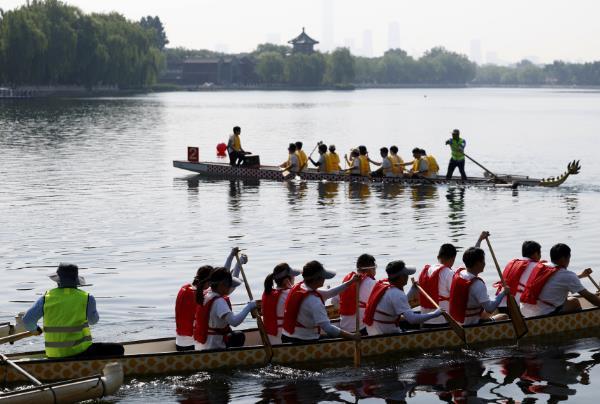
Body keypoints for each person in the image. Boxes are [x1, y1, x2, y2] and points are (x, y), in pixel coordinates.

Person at [23, 263, 124, 359]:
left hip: (53, 354)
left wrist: (35, 330)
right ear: (76, 281)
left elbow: (27, 320)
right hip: (80, 352)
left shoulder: (45, 298)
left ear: (58, 280)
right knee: (118, 349)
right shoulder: (87, 298)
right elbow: (93, 321)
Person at [175, 248, 246, 351]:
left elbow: (224, 276)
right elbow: (227, 281)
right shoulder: (205, 295)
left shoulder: (187, 289)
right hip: (190, 346)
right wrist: (239, 264)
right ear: (210, 281)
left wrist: (231, 257)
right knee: (238, 336)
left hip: (181, 343)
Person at [282, 260, 360, 343]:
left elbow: (329, 293)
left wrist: (350, 282)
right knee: (339, 339)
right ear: (316, 279)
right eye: (323, 277)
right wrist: (353, 336)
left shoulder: (300, 286)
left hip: (286, 336)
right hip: (302, 340)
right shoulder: (314, 301)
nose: (324, 279)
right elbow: (328, 328)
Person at [363, 261, 443, 336]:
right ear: (401, 277)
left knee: (412, 318)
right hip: (385, 333)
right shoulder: (397, 293)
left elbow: (398, 302)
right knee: (417, 323)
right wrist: (435, 314)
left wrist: (412, 290)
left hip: (372, 330)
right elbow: (412, 320)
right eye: (406, 275)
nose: (408, 277)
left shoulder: (382, 284)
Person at [519, 243, 600, 317]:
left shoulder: (541, 266)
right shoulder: (567, 275)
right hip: (543, 314)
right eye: (569, 257)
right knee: (574, 301)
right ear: (563, 258)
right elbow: (589, 297)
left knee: (565, 296)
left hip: (524, 310)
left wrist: (581, 275)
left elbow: (557, 279)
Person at [448, 241, 509, 326]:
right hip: (471, 324)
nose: (484, 263)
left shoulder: (460, 273)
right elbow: (490, 308)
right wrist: (503, 292)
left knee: (493, 307)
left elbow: (472, 255)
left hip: (458, 320)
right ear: (477, 263)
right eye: (483, 261)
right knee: (504, 316)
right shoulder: (477, 284)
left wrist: (480, 239)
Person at [194, 268, 256, 350]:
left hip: (202, 344)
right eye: (229, 285)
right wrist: (249, 306)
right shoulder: (219, 302)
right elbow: (234, 322)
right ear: (222, 285)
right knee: (239, 336)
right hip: (214, 347)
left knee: (238, 336)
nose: (230, 288)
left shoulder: (207, 294)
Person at [333, 254, 378, 334]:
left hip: (344, 328)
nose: (375, 270)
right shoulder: (372, 283)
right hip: (361, 329)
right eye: (375, 267)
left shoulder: (347, 281)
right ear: (370, 269)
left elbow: (334, 301)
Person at [494, 241, 542, 314]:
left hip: (499, 306)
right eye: (540, 254)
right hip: (516, 308)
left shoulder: (512, 263)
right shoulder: (537, 267)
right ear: (536, 254)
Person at [417, 243, 457, 328]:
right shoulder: (449, 273)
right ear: (453, 259)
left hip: (424, 320)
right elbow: (456, 296)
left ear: (438, 256)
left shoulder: (425, 270)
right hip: (442, 322)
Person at [261, 263, 301, 344]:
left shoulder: (267, 293)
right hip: (283, 340)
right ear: (287, 280)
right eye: (293, 275)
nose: (295, 277)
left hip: (269, 339)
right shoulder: (289, 294)